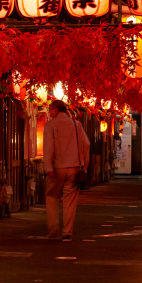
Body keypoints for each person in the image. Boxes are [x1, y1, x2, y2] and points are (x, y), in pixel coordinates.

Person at [43, 99, 90, 242]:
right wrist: (84, 166)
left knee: (52, 197)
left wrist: (48, 168)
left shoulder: (50, 125)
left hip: (57, 169)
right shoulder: (76, 125)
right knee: (70, 201)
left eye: (50, 109)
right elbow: (86, 144)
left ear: (56, 110)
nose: (49, 112)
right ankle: (67, 233)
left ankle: (53, 230)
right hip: (75, 168)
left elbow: (48, 148)